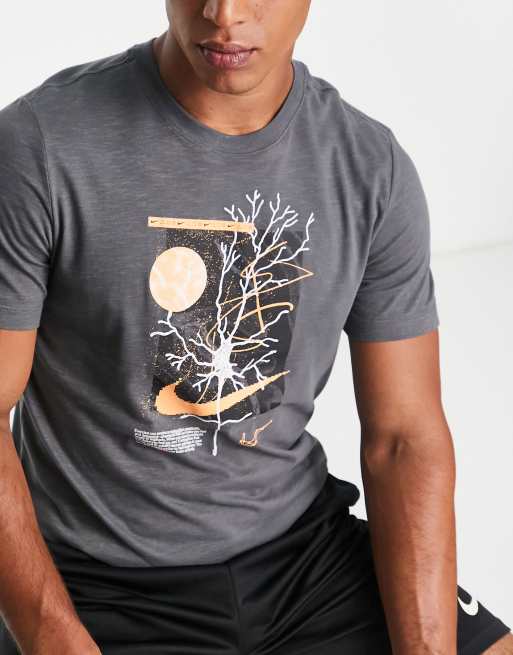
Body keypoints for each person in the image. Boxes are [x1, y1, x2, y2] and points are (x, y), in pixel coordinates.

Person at [0, 1, 511, 653]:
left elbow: (403, 439)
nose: (223, 14)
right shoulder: (40, 145)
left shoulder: (368, 167)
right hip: (99, 580)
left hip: (304, 556)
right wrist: (52, 637)